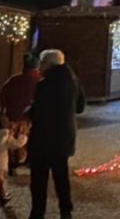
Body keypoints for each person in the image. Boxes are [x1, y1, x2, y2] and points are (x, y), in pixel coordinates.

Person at [27, 49, 86, 219]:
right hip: (64, 136)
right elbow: (80, 107)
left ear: (48, 64)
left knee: (39, 178)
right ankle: (66, 210)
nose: (40, 67)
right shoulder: (74, 81)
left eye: (42, 63)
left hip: (44, 138)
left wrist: (28, 114)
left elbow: (38, 112)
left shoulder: (44, 85)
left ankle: (37, 212)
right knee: (61, 176)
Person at [0, 52, 40, 173]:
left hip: (11, 116)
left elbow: (2, 96)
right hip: (26, 118)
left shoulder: (13, 80)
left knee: (11, 140)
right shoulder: (36, 83)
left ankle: (12, 163)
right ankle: (26, 160)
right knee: (25, 139)